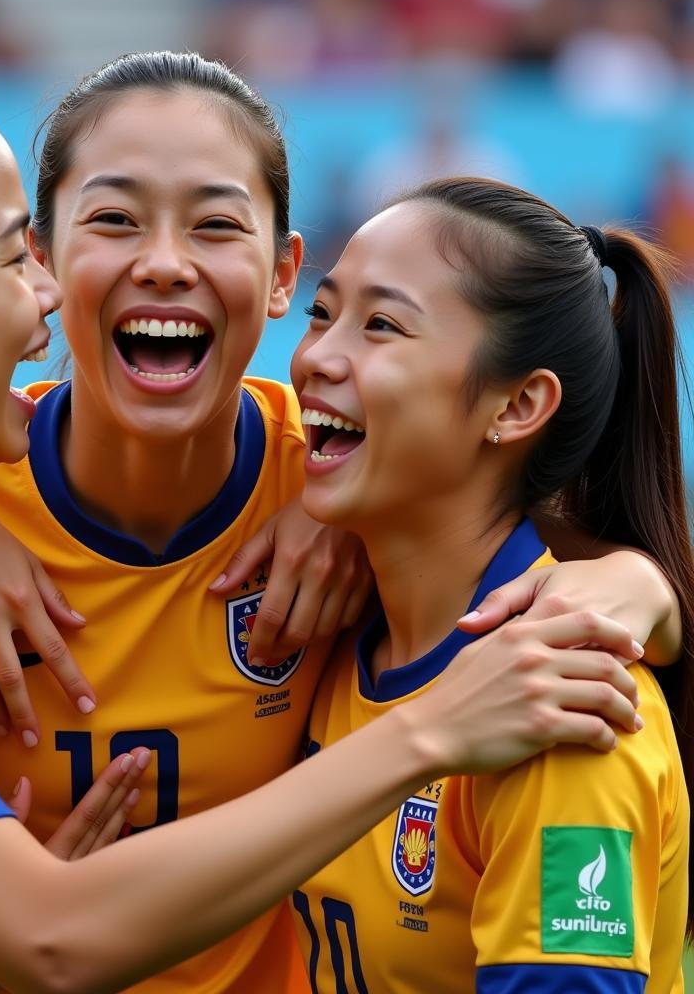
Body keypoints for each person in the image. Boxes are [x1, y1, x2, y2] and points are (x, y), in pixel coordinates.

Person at [0, 56, 647, 994]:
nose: (157, 266)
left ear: (279, 273)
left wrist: (633, 592)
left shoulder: (349, 476)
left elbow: (510, 518)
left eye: (217, 224)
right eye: (24, 253)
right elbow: (46, 931)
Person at [289, 178, 693, 993]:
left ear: (516, 405)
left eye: (381, 326)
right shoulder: (333, 631)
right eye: (322, 313)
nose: (316, 358)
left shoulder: (571, 713)